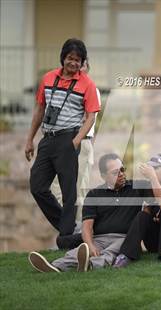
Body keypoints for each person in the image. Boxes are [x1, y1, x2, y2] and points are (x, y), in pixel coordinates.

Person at [25, 38, 100, 242]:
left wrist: (75, 141)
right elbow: (40, 109)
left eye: (78, 60)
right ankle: (69, 230)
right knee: (37, 186)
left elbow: (91, 116)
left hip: (68, 139)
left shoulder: (88, 85)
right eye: (70, 58)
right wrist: (30, 139)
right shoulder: (48, 79)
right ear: (63, 58)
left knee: (69, 194)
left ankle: (66, 238)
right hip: (47, 140)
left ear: (82, 62)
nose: (73, 63)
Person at [28, 153, 151, 272]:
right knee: (77, 252)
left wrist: (152, 177)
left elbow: (159, 194)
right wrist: (90, 245)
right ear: (103, 176)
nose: (121, 174)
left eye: (122, 169)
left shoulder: (137, 188)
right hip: (99, 238)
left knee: (110, 252)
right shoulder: (94, 194)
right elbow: (87, 227)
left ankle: (90, 264)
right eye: (115, 172)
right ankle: (55, 266)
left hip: (125, 238)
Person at [50, 58, 101, 224]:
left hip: (80, 143)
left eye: (82, 64)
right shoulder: (64, 89)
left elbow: (87, 119)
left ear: (85, 68)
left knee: (77, 190)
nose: (77, 67)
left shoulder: (91, 89)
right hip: (62, 143)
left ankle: (77, 231)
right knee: (56, 188)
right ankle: (69, 228)